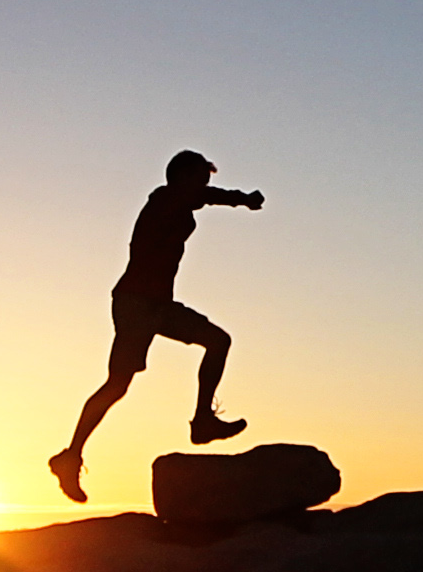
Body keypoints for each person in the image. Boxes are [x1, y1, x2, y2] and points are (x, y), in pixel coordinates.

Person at [49, 150, 264, 505]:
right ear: (181, 178)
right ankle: (70, 457)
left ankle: (202, 422)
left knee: (218, 341)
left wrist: (237, 200)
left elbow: (204, 197)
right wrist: (241, 199)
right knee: (117, 385)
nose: (203, 187)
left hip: (158, 306)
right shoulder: (164, 200)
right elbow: (206, 196)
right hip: (135, 303)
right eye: (198, 179)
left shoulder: (177, 202)